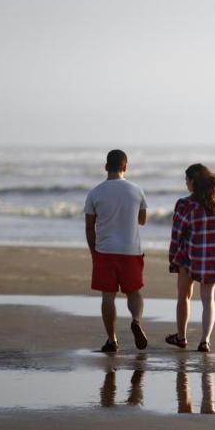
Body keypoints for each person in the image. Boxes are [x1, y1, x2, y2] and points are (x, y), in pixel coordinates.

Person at [85, 149, 148, 353]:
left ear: (105, 167)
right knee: (134, 292)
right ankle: (136, 320)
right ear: (125, 167)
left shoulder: (95, 192)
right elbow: (142, 220)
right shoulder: (136, 190)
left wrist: (94, 252)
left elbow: (89, 227)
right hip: (131, 250)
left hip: (105, 250)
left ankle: (112, 340)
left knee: (108, 297)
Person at [166, 163, 215, 353]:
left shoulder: (185, 205)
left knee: (184, 296)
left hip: (189, 256)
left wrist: (173, 258)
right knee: (208, 298)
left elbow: (177, 234)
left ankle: (181, 337)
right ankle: (205, 341)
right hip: (213, 258)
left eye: (186, 180)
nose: (185, 183)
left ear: (193, 181)